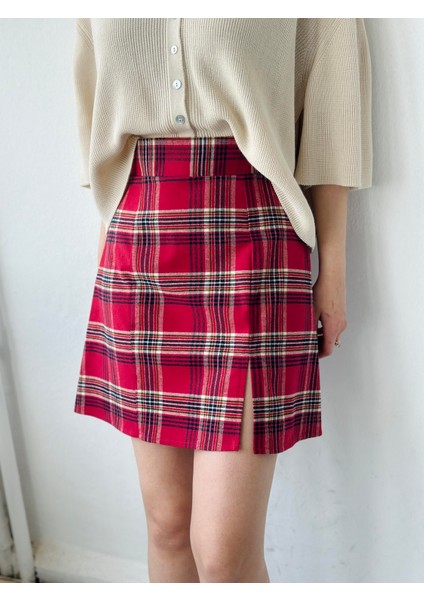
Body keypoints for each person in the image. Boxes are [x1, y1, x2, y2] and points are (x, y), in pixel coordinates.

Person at [72, 18, 373, 583]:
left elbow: (332, 120)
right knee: (166, 525)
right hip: (139, 238)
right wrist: (109, 232)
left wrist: (332, 274)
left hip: (251, 234)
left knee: (223, 553)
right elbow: (97, 108)